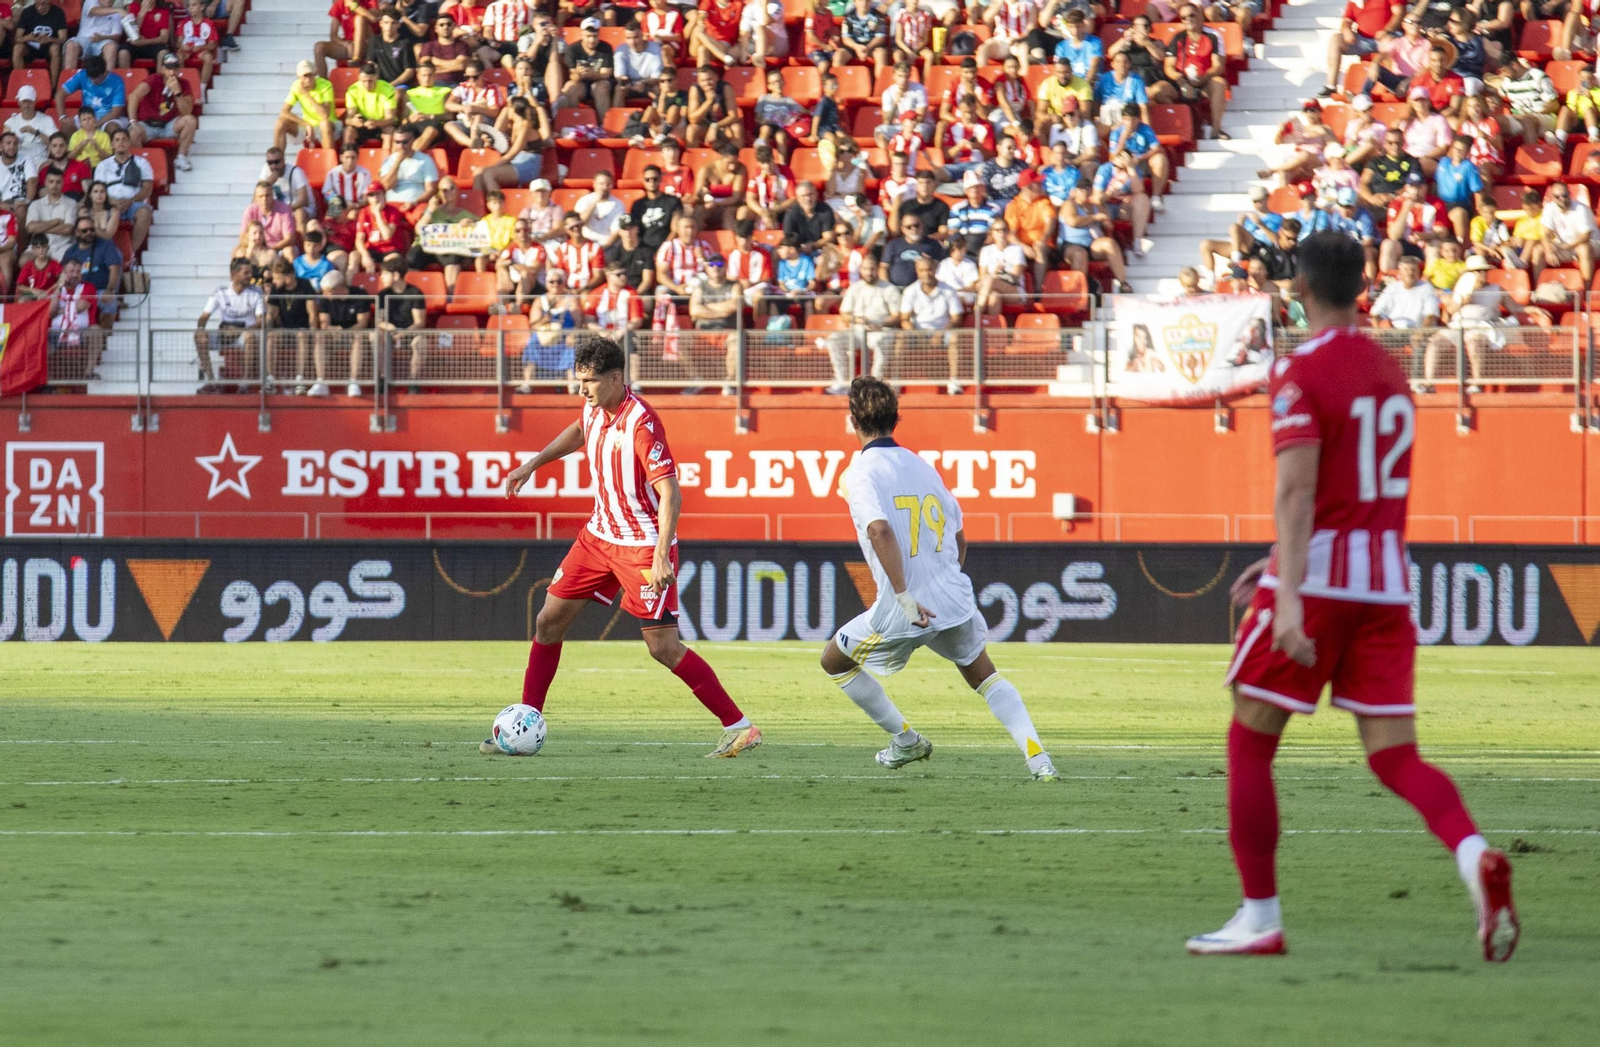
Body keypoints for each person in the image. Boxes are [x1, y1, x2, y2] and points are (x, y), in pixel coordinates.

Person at [1186, 231, 1519, 963]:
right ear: (1360, 284)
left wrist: (1291, 596)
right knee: (1395, 756)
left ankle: (1260, 915)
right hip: (1385, 582)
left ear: (1299, 287)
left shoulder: (1299, 370)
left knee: (1250, 739)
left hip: (1320, 581)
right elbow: (1347, 484)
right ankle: (1474, 856)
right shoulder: (1389, 370)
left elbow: (1301, 489)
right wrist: (1275, 562)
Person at [499, 335, 764, 759]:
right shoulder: (594, 407)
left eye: (588, 381)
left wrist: (661, 556)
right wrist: (532, 463)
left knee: (662, 646)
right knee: (549, 620)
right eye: (578, 380)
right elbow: (579, 430)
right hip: (598, 536)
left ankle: (740, 726)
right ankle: (523, 723)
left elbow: (671, 493)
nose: (581, 389)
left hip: (641, 544)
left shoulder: (641, 423)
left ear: (616, 378)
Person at [820, 376, 1058, 776]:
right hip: (952, 599)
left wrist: (904, 595)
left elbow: (879, 530)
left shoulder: (859, 471)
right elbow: (960, 538)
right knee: (984, 674)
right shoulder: (923, 465)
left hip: (904, 606)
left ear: (852, 422)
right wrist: (942, 582)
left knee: (834, 662)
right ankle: (1039, 759)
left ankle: (906, 741)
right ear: (896, 418)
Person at [193, 257, 264, 391]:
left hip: (245, 333)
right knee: (199, 336)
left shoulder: (256, 291)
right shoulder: (221, 292)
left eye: (251, 272)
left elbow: (261, 321)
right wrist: (201, 329)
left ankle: (245, 383)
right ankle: (212, 380)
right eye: (246, 273)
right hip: (225, 333)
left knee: (250, 336)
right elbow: (203, 317)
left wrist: (239, 331)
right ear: (234, 274)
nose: (251, 276)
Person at [1164, 4, 1229, 139]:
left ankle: (1216, 129)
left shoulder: (1213, 35)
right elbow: (1168, 66)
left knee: (1219, 83)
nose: (1188, 19)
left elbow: (1219, 65)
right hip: (1181, 80)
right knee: (1157, 91)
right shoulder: (1178, 38)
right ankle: (1189, 122)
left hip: (1204, 79)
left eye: (1192, 15)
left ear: (1200, 15)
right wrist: (1180, 79)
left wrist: (1204, 77)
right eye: (1184, 17)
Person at [369, 254, 429, 394]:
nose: (381, 278)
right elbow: (379, 320)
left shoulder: (415, 293)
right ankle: (383, 379)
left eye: (384, 274)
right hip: (389, 333)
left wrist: (404, 332)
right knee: (375, 336)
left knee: (420, 342)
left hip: (410, 332)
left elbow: (420, 322)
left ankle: (413, 382)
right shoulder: (383, 294)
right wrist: (389, 327)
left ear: (395, 275)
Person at [264, 257, 325, 396]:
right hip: (284, 330)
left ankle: (300, 379)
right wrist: (267, 329)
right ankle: (270, 379)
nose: (274, 281)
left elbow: (312, 314)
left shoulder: (305, 285)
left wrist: (313, 333)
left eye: (277, 277)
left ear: (287, 276)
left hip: (302, 329)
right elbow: (271, 314)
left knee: (302, 335)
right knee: (271, 337)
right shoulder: (276, 288)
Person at [128, 54, 197, 170]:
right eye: (169, 68)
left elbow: (187, 112)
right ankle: (140, 165)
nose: (172, 72)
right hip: (148, 124)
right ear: (162, 69)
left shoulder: (184, 83)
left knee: (190, 121)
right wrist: (133, 122)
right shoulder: (154, 79)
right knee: (133, 132)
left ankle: (181, 157)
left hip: (169, 124)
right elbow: (134, 96)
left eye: (175, 68)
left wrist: (177, 92)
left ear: (179, 69)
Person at [1320, 0, 1402, 96]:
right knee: (1336, 39)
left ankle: (1394, 86)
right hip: (1364, 40)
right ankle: (1331, 86)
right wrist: (1347, 30)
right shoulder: (1355, 2)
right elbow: (1346, 21)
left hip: (1388, 35)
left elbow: (1400, 13)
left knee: (1389, 42)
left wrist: (1387, 30)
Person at [313, 268, 373, 397]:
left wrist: (346, 332)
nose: (325, 295)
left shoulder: (360, 294)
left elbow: (362, 323)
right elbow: (324, 323)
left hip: (353, 333)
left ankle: (353, 381)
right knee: (320, 337)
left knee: (359, 338)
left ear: (339, 288)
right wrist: (332, 330)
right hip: (334, 334)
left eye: (328, 292)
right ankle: (321, 381)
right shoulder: (325, 299)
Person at [687, 255, 742, 394]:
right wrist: (722, 311)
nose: (715, 267)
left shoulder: (734, 285)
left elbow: (734, 305)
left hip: (728, 331)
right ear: (706, 267)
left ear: (725, 267)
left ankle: (730, 382)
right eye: (711, 264)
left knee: (737, 340)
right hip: (703, 332)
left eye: (719, 264)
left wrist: (706, 307)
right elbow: (694, 310)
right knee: (679, 340)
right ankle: (695, 379)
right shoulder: (700, 287)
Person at [472, 95, 550, 193]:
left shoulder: (526, 125)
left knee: (489, 173)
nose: (506, 110)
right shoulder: (514, 124)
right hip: (516, 161)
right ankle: (478, 203)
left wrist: (494, 165)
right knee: (478, 172)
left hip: (529, 164)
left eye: (508, 108)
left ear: (513, 109)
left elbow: (514, 152)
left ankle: (497, 204)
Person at [94, 129, 154, 253]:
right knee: (95, 213)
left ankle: (131, 253)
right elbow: (98, 190)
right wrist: (113, 203)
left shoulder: (142, 163)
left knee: (145, 213)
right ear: (112, 144)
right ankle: (102, 253)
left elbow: (147, 189)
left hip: (133, 203)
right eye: (117, 140)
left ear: (129, 143)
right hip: (109, 203)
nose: (120, 142)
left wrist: (131, 200)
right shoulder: (103, 165)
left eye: (124, 139)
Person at [274, 60, 337, 152]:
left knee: (325, 124)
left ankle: (328, 161)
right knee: (280, 122)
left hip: (330, 124)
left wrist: (306, 94)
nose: (308, 79)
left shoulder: (326, 85)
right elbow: (284, 112)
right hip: (309, 125)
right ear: (298, 77)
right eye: (305, 76)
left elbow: (324, 115)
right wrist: (306, 124)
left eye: (310, 75)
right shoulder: (296, 86)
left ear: (315, 74)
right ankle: (276, 159)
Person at [559, 17, 615, 118]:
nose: (591, 40)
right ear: (582, 34)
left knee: (601, 87)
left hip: (600, 81)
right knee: (570, 87)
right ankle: (573, 123)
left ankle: (604, 125)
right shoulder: (573, 49)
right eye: (588, 36)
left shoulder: (606, 48)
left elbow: (607, 73)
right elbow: (572, 75)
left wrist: (593, 74)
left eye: (594, 36)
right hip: (581, 83)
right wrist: (579, 74)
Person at [353, 184, 412, 272]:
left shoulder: (393, 211)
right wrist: (365, 255)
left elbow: (387, 235)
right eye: (371, 195)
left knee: (393, 263)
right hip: (372, 249)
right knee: (353, 257)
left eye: (378, 194)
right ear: (368, 198)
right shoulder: (364, 212)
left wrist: (377, 213)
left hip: (390, 249)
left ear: (384, 195)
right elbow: (359, 239)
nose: (375, 197)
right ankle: (350, 284)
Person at [342, 62, 400, 151]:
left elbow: (391, 119)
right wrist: (354, 121)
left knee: (389, 131)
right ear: (359, 79)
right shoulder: (352, 91)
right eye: (364, 81)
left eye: (370, 81)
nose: (367, 85)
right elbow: (348, 119)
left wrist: (376, 123)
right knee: (348, 132)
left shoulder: (387, 90)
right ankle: (348, 159)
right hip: (363, 124)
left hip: (382, 124)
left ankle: (386, 161)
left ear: (376, 78)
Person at [13, 0, 68, 92]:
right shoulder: (27, 12)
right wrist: (28, 38)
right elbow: (17, 38)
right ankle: (21, 84)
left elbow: (63, 39)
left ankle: (53, 87)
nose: (41, 7)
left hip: (49, 46)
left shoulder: (58, 12)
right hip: (31, 46)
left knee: (55, 48)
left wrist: (50, 39)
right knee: (17, 48)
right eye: (38, 4)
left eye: (44, 3)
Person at [377, 128, 439, 207]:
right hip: (392, 204)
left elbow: (431, 190)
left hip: (417, 204)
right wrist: (398, 162)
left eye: (405, 142)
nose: (401, 146)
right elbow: (386, 186)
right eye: (397, 142)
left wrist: (414, 202)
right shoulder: (389, 160)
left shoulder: (425, 160)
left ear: (412, 140)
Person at [6, 85, 57, 167]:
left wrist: (36, 133)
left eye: (29, 101)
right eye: (24, 101)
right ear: (19, 102)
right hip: (17, 159)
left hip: (39, 160)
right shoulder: (11, 122)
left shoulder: (46, 120)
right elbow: (3, 145)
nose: (26, 105)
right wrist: (14, 141)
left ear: (35, 101)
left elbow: (55, 142)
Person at [175, 0, 219, 88]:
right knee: (179, 55)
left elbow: (212, 45)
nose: (191, 8)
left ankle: (202, 88)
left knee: (208, 57)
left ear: (201, 7)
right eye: (189, 6)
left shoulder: (209, 23)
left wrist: (201, 47)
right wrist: (183, 46)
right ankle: (184, 85)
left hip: (201, 51)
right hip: (187, 51)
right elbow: (178, 43)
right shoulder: (184, 22)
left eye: (194, 5)